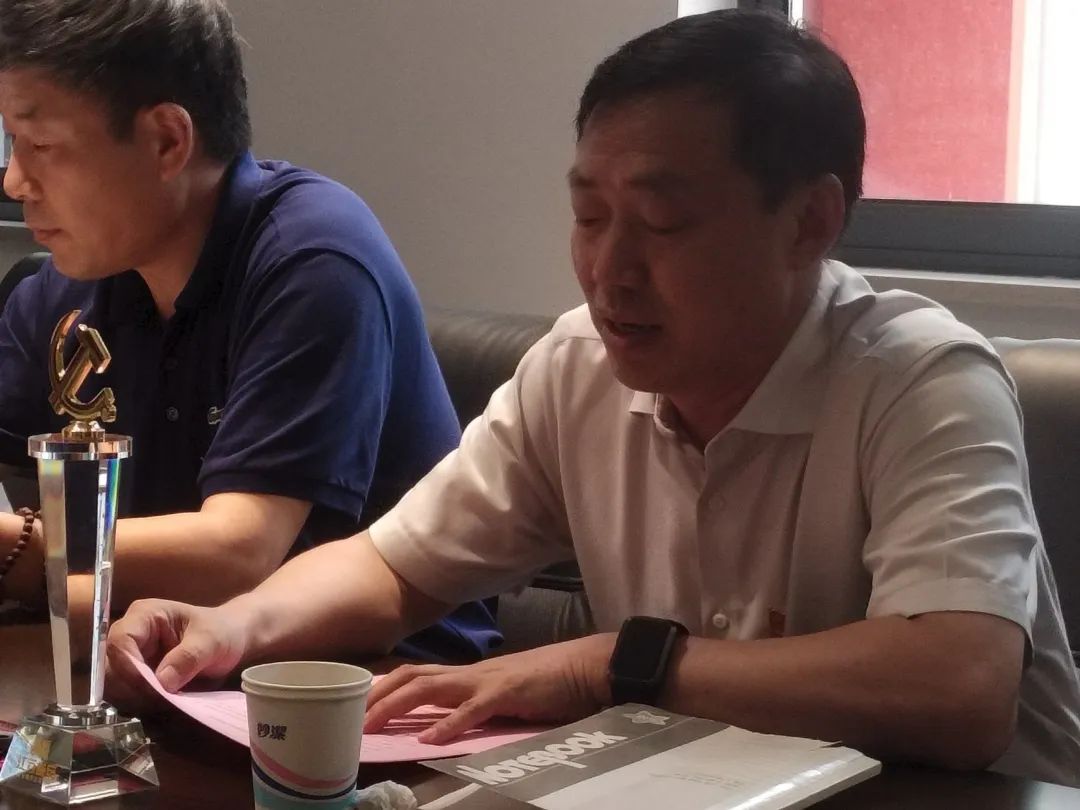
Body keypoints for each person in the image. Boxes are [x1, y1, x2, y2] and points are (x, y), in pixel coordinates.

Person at [107, 9, 1080, 785]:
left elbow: (958, 687)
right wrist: (234, 625)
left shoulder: (920, 379)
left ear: (809, 221)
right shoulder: (580, 366)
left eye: (660, 221)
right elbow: (394, 567)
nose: (609, 270)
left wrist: (609, 664)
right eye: (588, 215)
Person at [0, 0, 499, 663]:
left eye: (40, 146)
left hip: (366, 685)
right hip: (146, 656)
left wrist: (17, 548)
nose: (15, 180)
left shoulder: (314, 259)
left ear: (167, 141)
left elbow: (236, 554)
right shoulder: (67, 286)